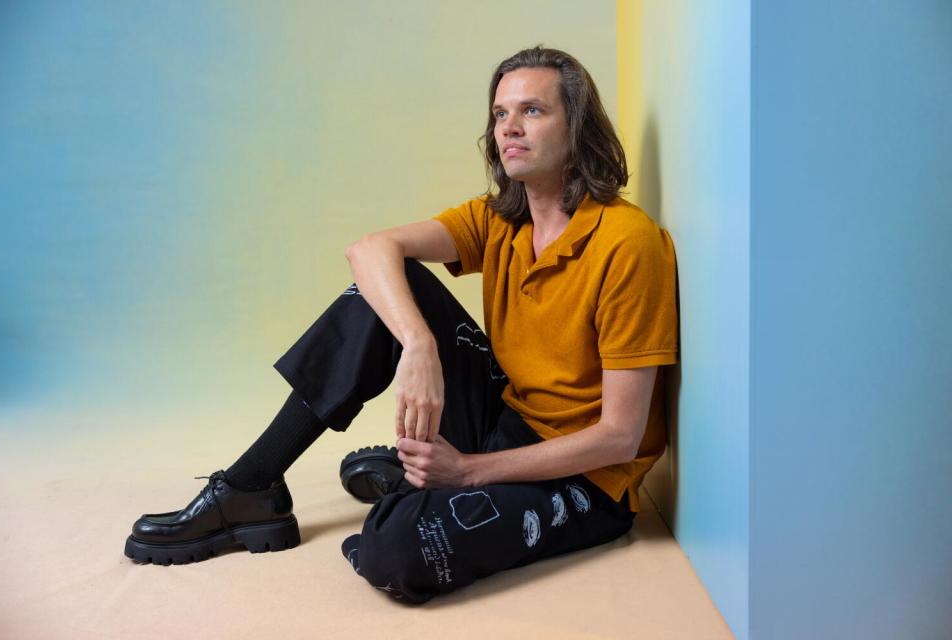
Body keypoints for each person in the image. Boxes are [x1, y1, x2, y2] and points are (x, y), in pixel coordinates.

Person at [124, 45, 679, 604]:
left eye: (532, 111)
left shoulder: (625, 243)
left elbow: (619, 436)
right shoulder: (499, 219)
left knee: (395, 557)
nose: (508, 127)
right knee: (386, 291)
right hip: (506, 417)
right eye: (500, 113)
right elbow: (370, 250)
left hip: (587, 477)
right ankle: (251, 486)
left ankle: (411, 481)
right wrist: (418, 346)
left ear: (576, 126)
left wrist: (467, 472)